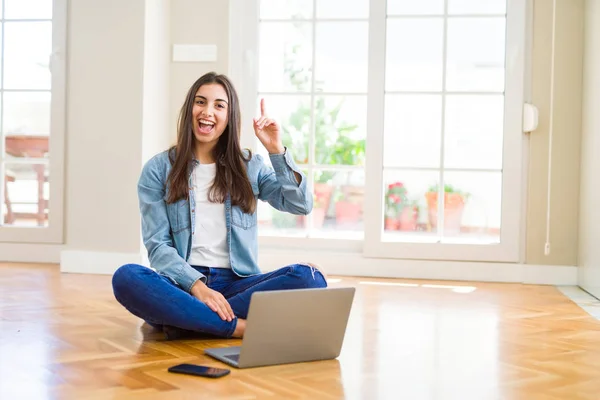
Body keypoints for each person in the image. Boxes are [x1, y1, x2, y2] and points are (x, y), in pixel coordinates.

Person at [111, 72, 327, 340]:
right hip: (182, 285)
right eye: (200, 102)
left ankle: (185, 321)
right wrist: (198, 288)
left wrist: (275, 150)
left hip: (238, 284)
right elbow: (158, 246)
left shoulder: (251, 167)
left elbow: (301, 204)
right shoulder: (158, 169)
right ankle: (236, 327)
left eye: (219, 105)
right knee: (127, 277)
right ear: (189, 108)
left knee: (310, 277)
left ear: (230, 116)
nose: (208, 112)